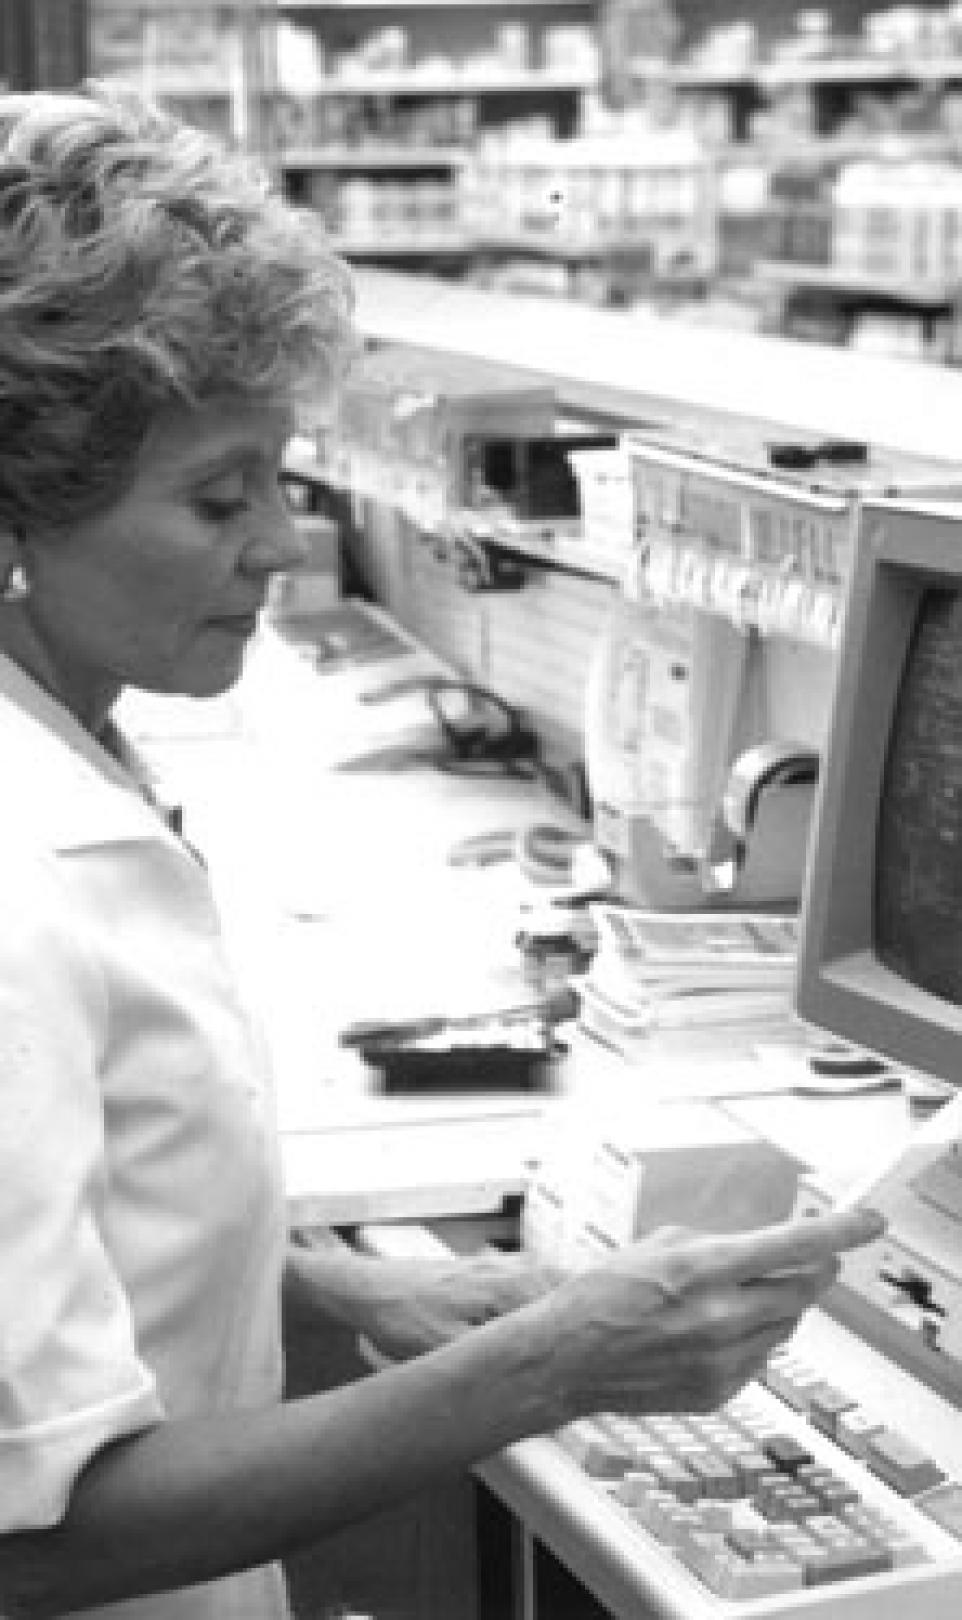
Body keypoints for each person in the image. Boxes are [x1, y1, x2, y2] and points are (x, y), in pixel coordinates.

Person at [0, 82, 882, 1620]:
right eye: (219, 496)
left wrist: (373, 1292)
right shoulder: (16, 882)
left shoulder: (72, 737)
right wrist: (544, 1365)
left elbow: (88, 1233)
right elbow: (42, 1534)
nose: (279, 540)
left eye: (278, 476)